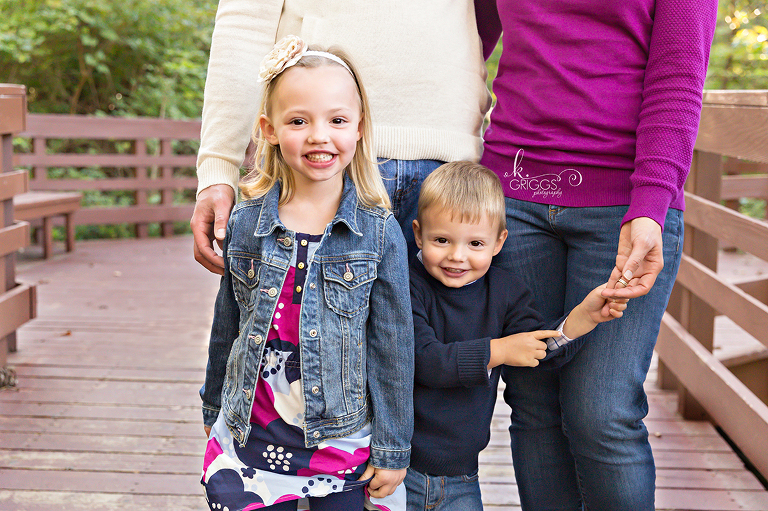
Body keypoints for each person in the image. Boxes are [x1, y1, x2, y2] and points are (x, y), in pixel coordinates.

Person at [474, 1, 719, 509]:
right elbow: (465, 40)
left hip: (626, 207)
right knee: (533, 400)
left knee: (601, 413)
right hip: (512, 194)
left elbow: (679, 74)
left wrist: (651, 204)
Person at [199, 37, 413, 511]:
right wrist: (214, 406)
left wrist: (394, 449)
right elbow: (228, 324)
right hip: (250, 432)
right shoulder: (247, 222)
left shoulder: (378, 232)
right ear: (269, 130)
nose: (319, 135)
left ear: (359, 129)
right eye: (299, 121)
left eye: (337, 121)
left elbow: (393, 346)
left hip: (341, 439)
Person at [191, 0, 491, 273]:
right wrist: (218, 166)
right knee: (291, 325)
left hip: (450, 154)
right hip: (316, 158)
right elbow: (245, 20)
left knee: (447, 330)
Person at [406, 161, 627, 511]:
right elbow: (423, 360)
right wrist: (498, 351)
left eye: (475, 243)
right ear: (418, 234)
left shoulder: (506, 291)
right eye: (441, 240)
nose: (457, 256)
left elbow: (533, 351)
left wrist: (581, 319)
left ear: (499, 242)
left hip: (463, 476)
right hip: (398, 469)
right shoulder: (408, 285)